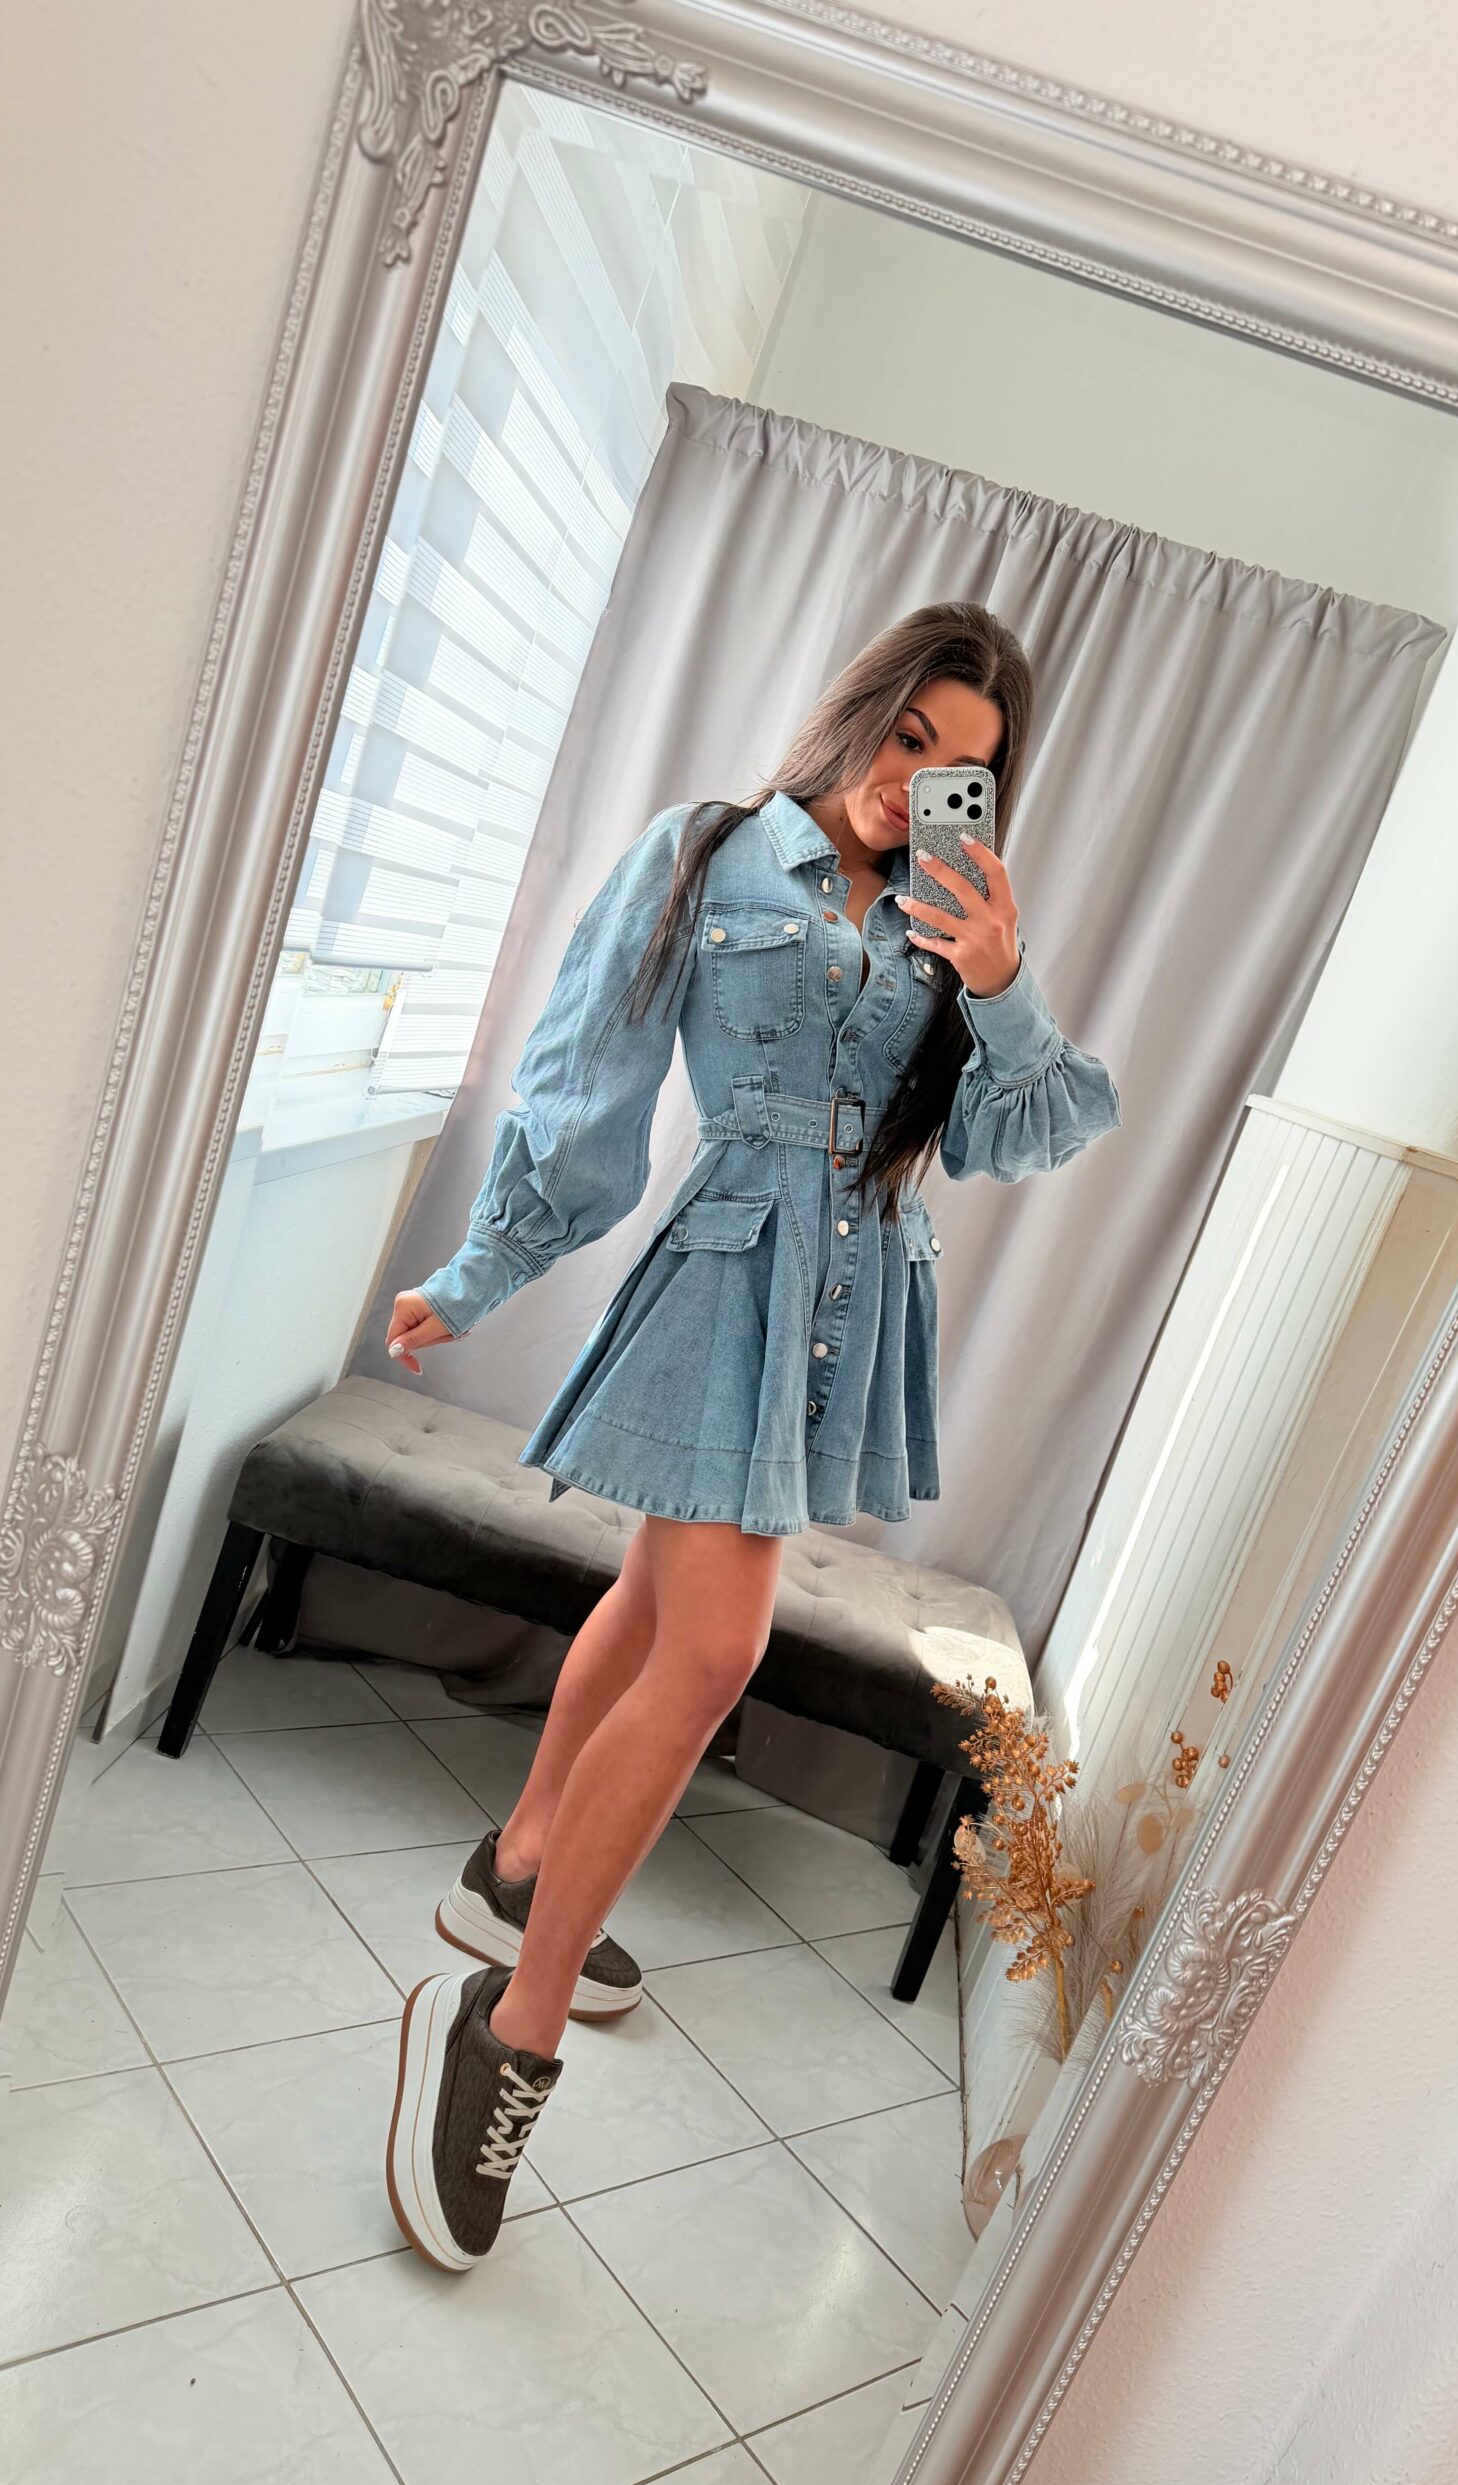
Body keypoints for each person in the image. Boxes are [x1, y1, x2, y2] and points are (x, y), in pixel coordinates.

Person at [379, 601, 1120, 2270]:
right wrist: (480, 1271)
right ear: (861, 710)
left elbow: (1029, 1130)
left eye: (963, 767)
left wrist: (1000, 984)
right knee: (713, 1652)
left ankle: (517, 1867)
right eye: (909, 735)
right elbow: (587, 1081)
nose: (915, 779)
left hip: (857, 1305)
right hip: (731, 1279)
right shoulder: (706, 854)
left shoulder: (951, 924)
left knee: (655, 1610)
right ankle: (510, 2025)